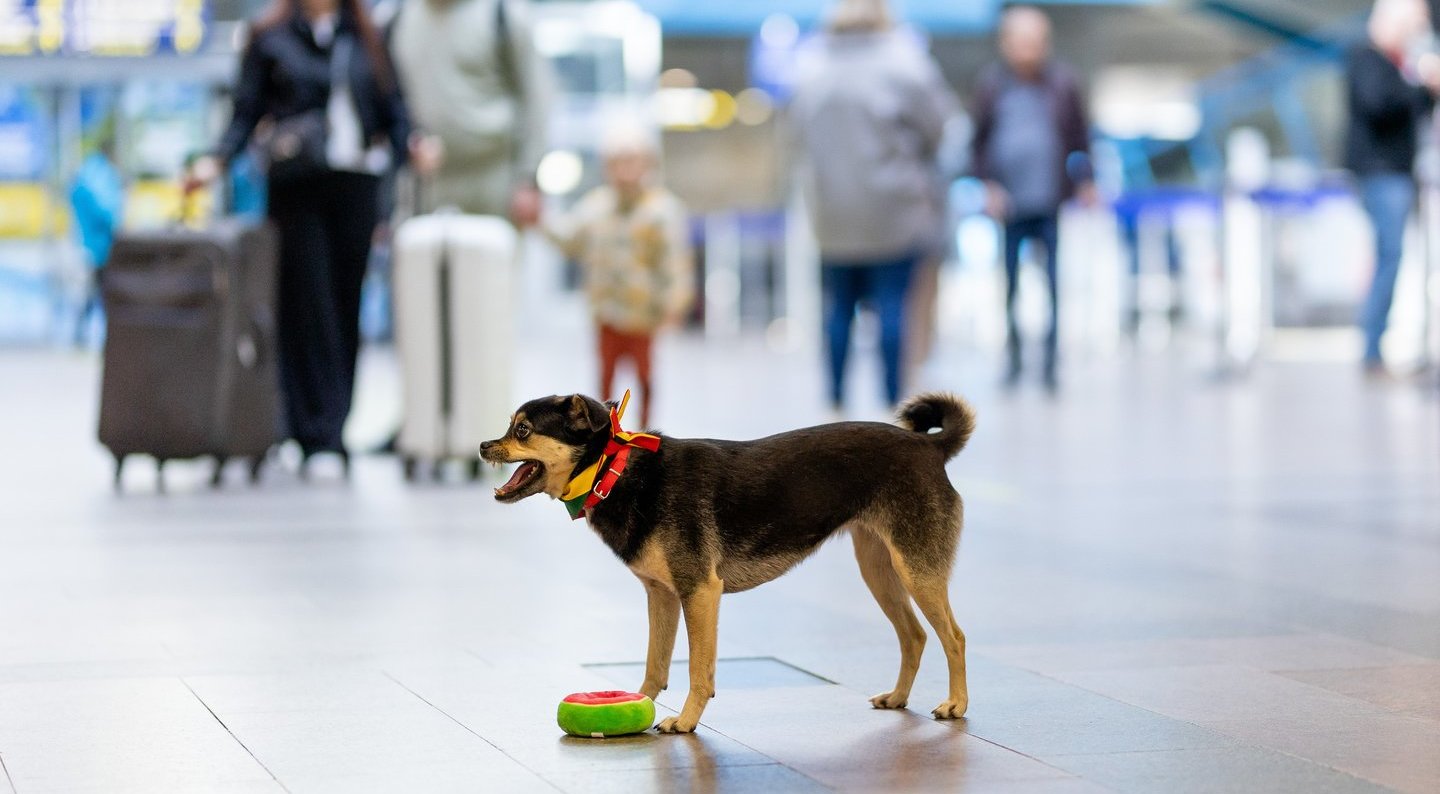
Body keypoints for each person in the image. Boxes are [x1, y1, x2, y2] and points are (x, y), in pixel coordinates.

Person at [202, 0, 411, 474]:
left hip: (356, 185)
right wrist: (214, 160)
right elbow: (245, 113)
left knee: (345, 308)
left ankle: (333, 428)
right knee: (307, 306)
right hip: (298, 187)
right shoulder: (270, 37)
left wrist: (410, 148)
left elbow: (394, 110)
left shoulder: (367, 37)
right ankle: (311, 433)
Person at [789, 0, 954, 414]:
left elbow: (793, 137)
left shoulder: (810, 66)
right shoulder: (905, 64)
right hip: (893, 210)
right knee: (893, 304)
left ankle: (835, 398)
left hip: (831, 213)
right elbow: (937, 130)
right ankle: (893, 400)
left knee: (838, 308)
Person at [971, 4, 1094, 391]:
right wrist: (988, 185)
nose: (1028, 50)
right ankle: (1014, 359)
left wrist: (1087, 181)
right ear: (1006, 43)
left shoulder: (1063, 83)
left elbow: (1080, 137)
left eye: (1035, 41)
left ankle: (1051, 364)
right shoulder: (992, 85)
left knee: (1054, 283)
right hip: (1009, 204)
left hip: (1050, 199)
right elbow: (977, 143)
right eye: (1020, 41)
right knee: (1009, 285)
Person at [541, 127, 694, 428]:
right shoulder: (595, 207)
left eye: (632, 161)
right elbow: (570, 238)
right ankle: (603, 432)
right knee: (605, 378)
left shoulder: (662, 210)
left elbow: (675, 262)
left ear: (648, 164)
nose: (625, 171)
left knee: (644, 376)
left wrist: (676, 303)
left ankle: (647, 433)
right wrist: (539, 221)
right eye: (617, 163)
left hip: (641, 314)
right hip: (606, 312)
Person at [388, 0, 549, 223]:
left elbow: (536, 98)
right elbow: (391, 98)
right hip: (429, 181)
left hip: (494, 175)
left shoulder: (502, 14)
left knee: (492, 254)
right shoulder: (399, 18)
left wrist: (529, 178)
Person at [1346, 0, 1440, 376]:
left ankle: (1389, 344)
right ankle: (1372, 349)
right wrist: (1419, 84)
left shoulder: (1395, 64)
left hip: (1399, 172)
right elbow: (1380, 106)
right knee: (1390, 256)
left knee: (1398, 257)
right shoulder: (1369, 60)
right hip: (1381, 173)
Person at [69, 138, 124, 348]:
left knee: (92, 292)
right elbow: (106, 210)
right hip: (100, 244)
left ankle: (79, 335)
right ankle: (106, 336)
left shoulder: (86, 172)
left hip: (86, 242)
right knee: (101, 290)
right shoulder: (101, 175)